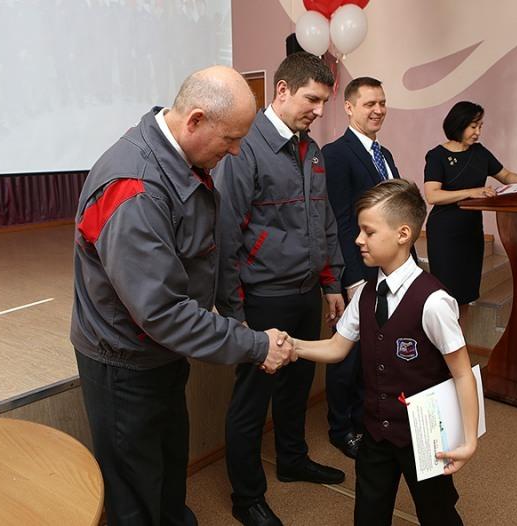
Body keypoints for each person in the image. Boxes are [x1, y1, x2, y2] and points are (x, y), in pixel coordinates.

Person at [71, 66, 295, 526]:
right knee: (136, 490)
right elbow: (163, 311)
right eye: (231, 139)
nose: (236, 152)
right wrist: (255, 344)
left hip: (159, 352)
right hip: (125, 360)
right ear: (195, 120)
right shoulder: (135, 188)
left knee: (169, 466)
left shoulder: (181, 160)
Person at [291, 179, 479, 526]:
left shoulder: (433, 302)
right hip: (376, 431)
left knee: (437, 513)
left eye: (368, 231)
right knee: (369, 513)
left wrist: (468, 441)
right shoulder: (365, 294)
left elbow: (462, 373)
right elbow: (337, 347)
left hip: (424, 435)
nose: (358, 240)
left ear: (403, 234)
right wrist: (292, 346)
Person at [213, 52, 346, 526]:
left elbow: (324, 219)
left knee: (296, 388)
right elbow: (225, 234)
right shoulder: (245, 148)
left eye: (324, 101)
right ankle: (247, 496)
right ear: (283, 90)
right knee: (252, 401)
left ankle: (292, 459)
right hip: (263, 296)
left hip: (306, 291)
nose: (319, 110)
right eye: (312, 99)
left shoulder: (312, 149)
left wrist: (331, 281)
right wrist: (234, 313)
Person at [322, 76, 403, 459]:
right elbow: (339, 220)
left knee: (373, 351)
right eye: (370, 103)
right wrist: (350, 277)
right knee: (347, 355)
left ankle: (364, 419)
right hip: (358, 270)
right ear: (349, 107)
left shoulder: (384, 155)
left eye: (382, 103)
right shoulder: (336, 154)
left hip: (387, 268)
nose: (378, 110)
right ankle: (341, 428)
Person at [423, 101, 517, 319]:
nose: (478, 132)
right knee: (445, 296)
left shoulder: (480, 152)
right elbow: (433, 195)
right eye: (473, 126)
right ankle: (442, 339)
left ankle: (460, 339)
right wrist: (472, 192)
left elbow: (505, 175)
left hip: (472, 232)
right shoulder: (437, 156)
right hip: (445, 234)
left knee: (466, 294)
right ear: (459, 124)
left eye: (480, 126)